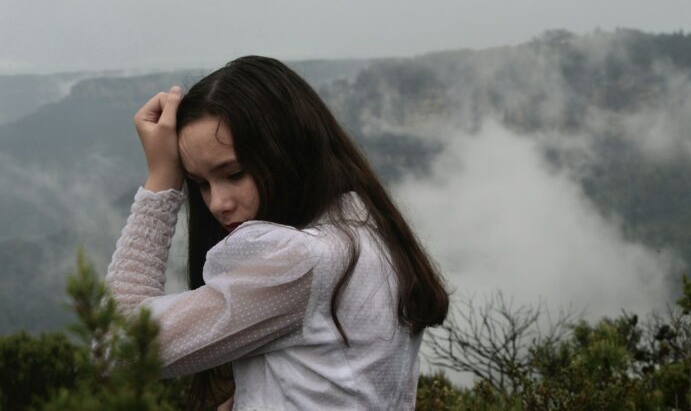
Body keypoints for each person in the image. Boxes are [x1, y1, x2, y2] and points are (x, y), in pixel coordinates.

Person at [106, 56, 449, 410]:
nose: (217, 203)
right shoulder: (363, 227)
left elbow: (118, 344)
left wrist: (162, 181)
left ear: (288, 151)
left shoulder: (301, 261)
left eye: (235, 174)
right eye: (200, 184)